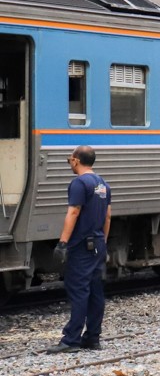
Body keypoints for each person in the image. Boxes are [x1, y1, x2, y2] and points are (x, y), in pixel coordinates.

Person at [47, 146, 111, 353]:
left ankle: (71, 340)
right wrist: (103, 242)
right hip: (98, 243)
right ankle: (92, 337)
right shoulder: (103, 184)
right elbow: (108, 216)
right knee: (95, 291)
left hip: (82, 245)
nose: (69, 164)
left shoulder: (79, 183)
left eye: (69, 160)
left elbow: (73, 212)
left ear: (76, 160)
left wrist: (62, 243)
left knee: (78, 291)